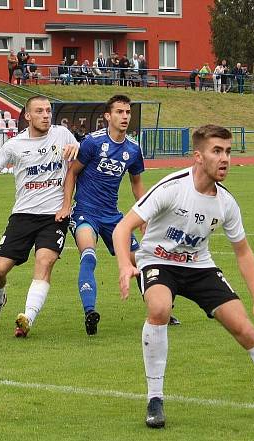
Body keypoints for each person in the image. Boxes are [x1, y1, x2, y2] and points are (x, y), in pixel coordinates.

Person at [113, 124, 254, 428]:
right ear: (198, 156)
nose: (225, 158)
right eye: (217, 151)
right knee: (159, 308)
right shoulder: (172, 188)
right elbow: (122, 228)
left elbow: (243, 252)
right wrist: (126, 264)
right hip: (158, 261)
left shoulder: (226, 202)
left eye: (228, 151)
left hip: (200, 266)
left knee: (245, 329)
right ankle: (155, 399)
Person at [0, 95, 79, 338]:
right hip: (22, 216)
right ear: (27, 116)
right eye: (39, 111)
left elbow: (80, 157)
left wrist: (77, 148)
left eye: (48, 111)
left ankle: (27, 317)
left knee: (44, 262)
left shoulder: (62, 134)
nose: (45, 115)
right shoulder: (14, 145)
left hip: (54, 216)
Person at [56, 95, 146, 335]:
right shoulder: (92, 143)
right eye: (119, 112)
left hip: (113, 217)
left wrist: (143, 216)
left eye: (127, 112)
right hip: (85, 211)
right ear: (108, 116)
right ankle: (90, 312)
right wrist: (66, 206)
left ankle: (159, 311)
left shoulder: (134, 149)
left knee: (141, 261)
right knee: (89, 255)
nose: (125, 116)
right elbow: (72, 173)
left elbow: (137, 184)